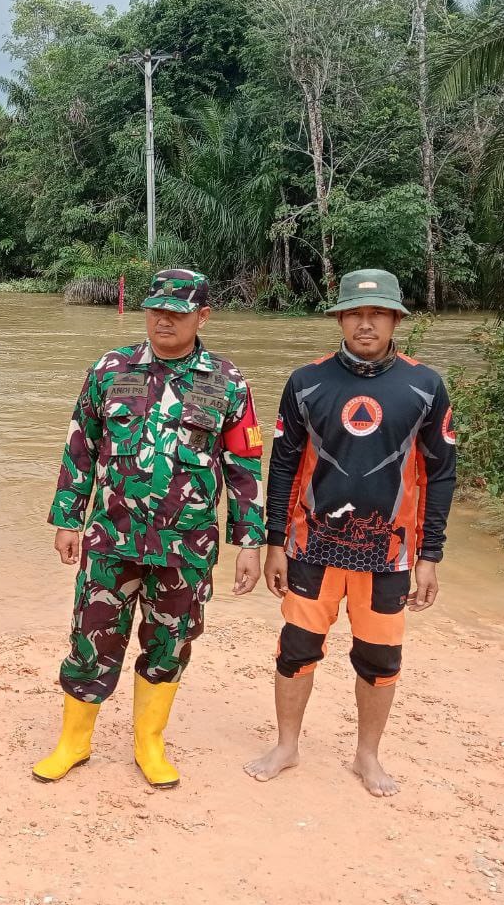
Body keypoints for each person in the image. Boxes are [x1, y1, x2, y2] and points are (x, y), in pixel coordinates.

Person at [34, 268, 265, 789]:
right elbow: (81, 447)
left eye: (178, 311)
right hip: (111, 538)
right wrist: (68, 518)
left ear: (202, 316)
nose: (164, 319)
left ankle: (149, 742)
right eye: (157, 308)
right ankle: (74, 741)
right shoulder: (110, 369)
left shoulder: (226, 382)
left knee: (170, 643)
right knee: (92, 637)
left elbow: (244, 466)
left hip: (187, 545)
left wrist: (250, 542)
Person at [244, 269, 456, 797]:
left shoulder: (425, 386)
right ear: (339, 317)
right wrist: (275, 542)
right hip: (312, 547)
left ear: (395, 319)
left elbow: (440, 474)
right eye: (356, 314)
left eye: (378, 314)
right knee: (295, 649)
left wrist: (429, 554)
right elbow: (285, 465)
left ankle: (368, 756)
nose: (366, 324)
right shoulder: (307, 382)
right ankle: (287, 745)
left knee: (381, 659)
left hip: (389, 553)